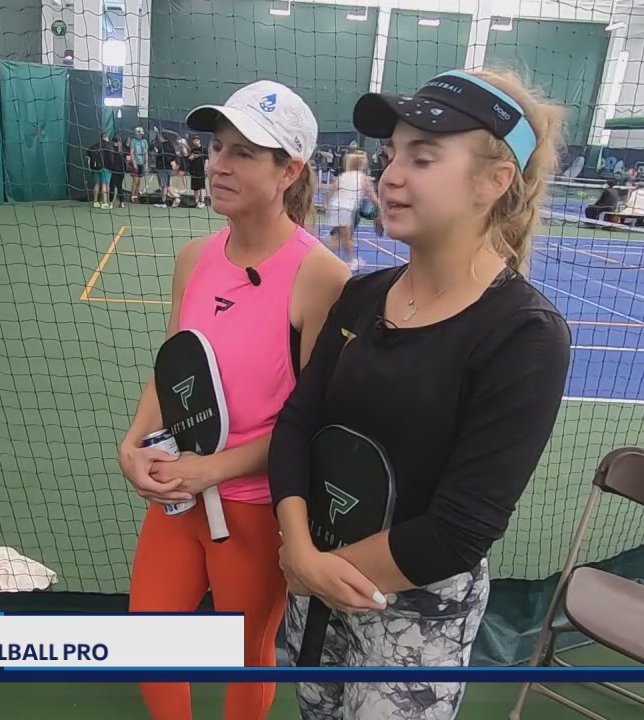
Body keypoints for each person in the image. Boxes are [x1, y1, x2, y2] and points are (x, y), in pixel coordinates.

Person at [270, 68, 571, 719]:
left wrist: (319, 568)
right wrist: (298, 550)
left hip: (413, 621)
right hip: (314, 586)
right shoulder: (361, 294)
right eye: (391, 155)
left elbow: (459, 531)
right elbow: (297, 425)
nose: (392, 176)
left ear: (494, 182)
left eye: (423, 157)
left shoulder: (524, 337)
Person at [118, 81, 350, 720]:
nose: (218, 164)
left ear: (290, 171)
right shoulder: (193, 259)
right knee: (149, 642)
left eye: (245, 153)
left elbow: (314, 426)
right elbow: (173, 372)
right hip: (179, 498)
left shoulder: (321, 276)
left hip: (255, 509)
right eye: (218, 146)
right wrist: (134, 444)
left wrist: (213, 470)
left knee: (248, 651)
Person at [326, 151, 377, 272]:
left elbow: (331, 189)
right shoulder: (362, 177)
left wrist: (327, 204)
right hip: (347, 209)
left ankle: (325, 258)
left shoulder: (343, 176)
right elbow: (372, 196)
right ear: (361, 164)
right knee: (348, 238)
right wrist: (380, 207)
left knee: (337, 237)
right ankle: (350, 261)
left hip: (336, 207)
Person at [87, 133, 111, 209]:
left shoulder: (94, 146)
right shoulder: (108, 146)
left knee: (96, 184)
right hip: (105, 168)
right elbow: (111, 158)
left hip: (95, 168)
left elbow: (88, 153)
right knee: (105, 184)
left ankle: (95, 202)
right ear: (106, 137)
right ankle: (104, 202)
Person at [105, 135, 128, 208]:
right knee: (119, 187)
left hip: (114, 171)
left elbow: (111, 161)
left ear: (113, 142)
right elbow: (127, 160)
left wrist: (109, 167)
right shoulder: (123, 150)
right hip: (121, 172)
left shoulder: (112, 150)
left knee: (112, 187)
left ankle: (111, 203)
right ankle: (122, 203)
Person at [129, 126, 149, 203]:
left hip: (142, 163)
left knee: (139, 181)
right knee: (135, 180)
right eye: (139, 134)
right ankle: (132, 196)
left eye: (141, 134)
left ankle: (136, 196)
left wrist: (146, 164)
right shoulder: (133, 141)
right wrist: (134, 164)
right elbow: (131, 153)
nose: (140, 135)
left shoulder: (144, 141)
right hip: (135, 163)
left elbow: (145, 153)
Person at [187, 135, 208, 208]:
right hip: (193, 170)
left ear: (199, 141)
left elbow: (207, 159)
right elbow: (189, 158)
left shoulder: (204, 149)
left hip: (201, 170)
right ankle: (196, 201)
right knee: (195, 187)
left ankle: (202, 201)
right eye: (194, 140)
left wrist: (206, 168)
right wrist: (191, 157)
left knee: (201, 186)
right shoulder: (192, 150)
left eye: (197, 140)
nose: (195, 141)